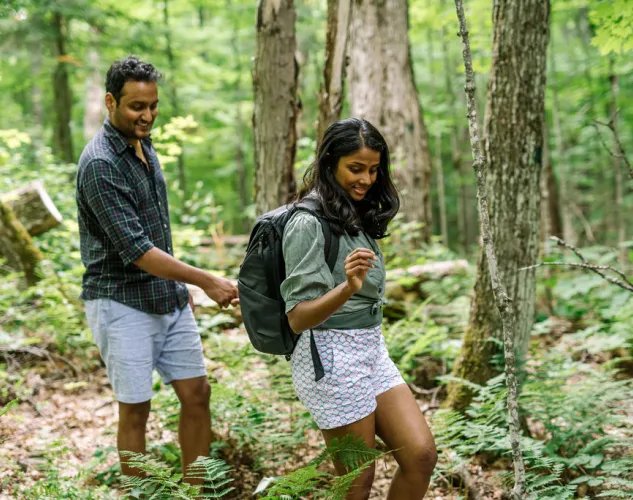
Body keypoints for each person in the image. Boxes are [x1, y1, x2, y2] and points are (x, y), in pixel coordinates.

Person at [75, 55, 238, 483]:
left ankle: (196, 490)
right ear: (110, 102)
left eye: (153, 105)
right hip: (120, 302)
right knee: (135, 409)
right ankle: (141, 494)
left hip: (166, 298)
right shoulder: (100, 164)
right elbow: (137, 250)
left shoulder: (144, 146)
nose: (147, 115)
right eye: (136, 107)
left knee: (197, 393)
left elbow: (157, 232)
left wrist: (180, 287)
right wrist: (206, 281)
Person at [281, 118, 437, 499]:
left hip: (370, 348)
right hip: (328, 353)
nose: (366, 179)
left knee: (420, 455)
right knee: (357, 481)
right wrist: (347, 288)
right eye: (356, 168)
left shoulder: (355, 213)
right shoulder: (306, 223)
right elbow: (298, 317)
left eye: (373, 169)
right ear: (330, 162)